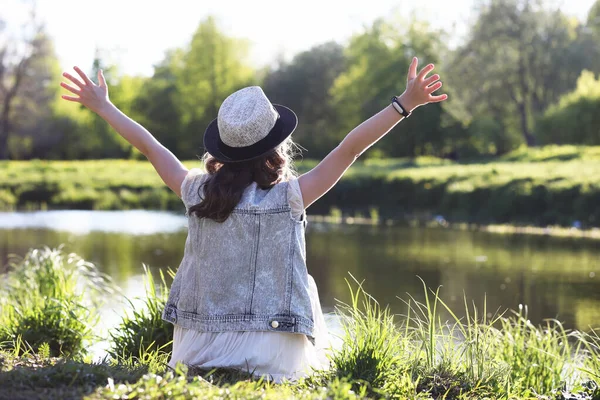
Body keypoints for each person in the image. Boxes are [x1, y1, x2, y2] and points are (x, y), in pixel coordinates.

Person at [60, 57, 447, 382]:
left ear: (223, 148)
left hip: (195, 347)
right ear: (276, 148)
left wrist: (103, 106)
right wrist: (404, 104)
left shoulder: (196, 190)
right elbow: (351, 147)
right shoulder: (290, 196)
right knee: (307, 283)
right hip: (272, 353)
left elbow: (150, 146)